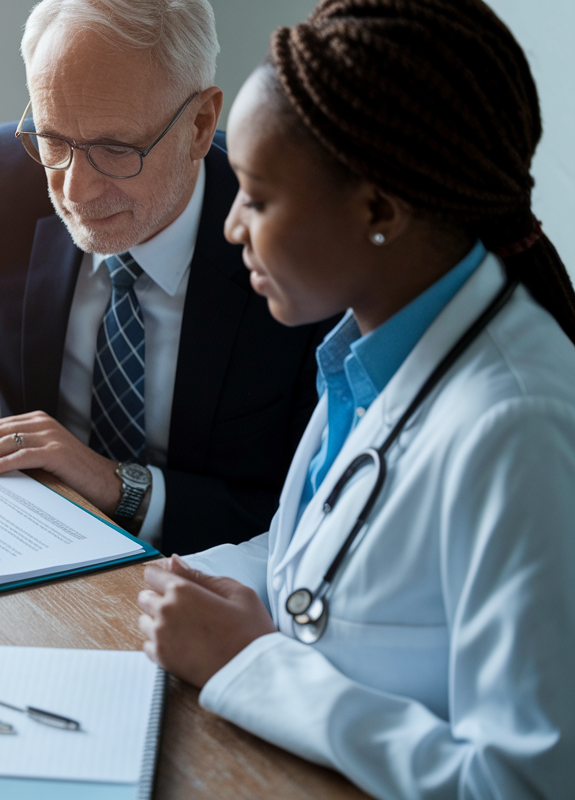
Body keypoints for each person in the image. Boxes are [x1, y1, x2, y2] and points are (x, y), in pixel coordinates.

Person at [135, 0, 575, 796]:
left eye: (257, 198)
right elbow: (324, 568)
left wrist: (247, 661)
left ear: (379, 209)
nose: (233, 227)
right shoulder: (366, 352)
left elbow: (520, 781)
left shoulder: (516, 428)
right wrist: (161, 584)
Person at [0, 0, 336, 555]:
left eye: (115, 149)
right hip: (29, 560)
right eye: (53, 140)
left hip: (213, 588)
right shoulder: (6, 177)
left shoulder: (288, 243)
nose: (75, 191)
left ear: (199, 125)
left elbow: (312, 507)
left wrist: (115, 484)